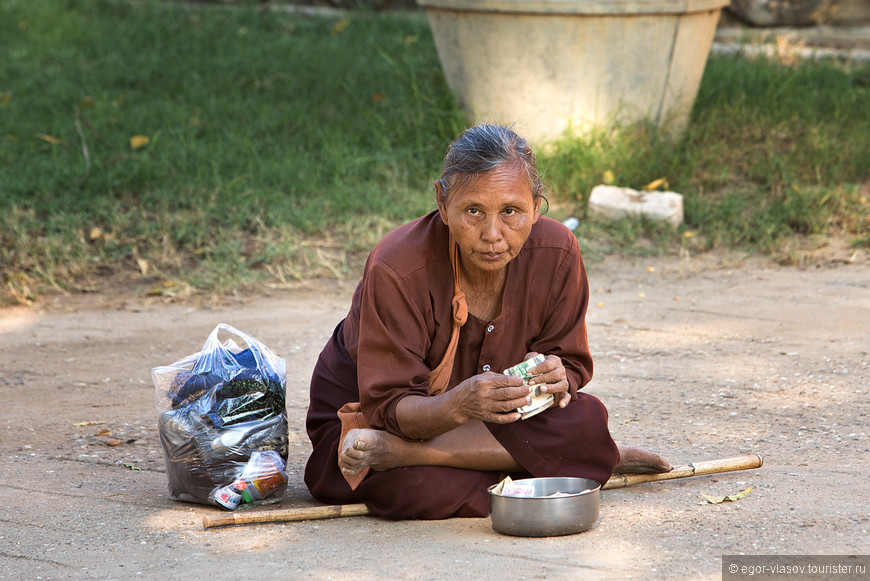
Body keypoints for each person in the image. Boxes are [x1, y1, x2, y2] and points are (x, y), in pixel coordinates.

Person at [304, 124, 670, 519]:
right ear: (443, 204)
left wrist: (560, 375)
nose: (492, 235)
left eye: (511, 211)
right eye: (473, 211)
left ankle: (411, 455)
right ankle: (560, 465)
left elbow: (571, 363)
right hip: (366, 427)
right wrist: (457, 405)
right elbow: (389, 409)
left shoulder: (557, 251)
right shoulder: (397, 266)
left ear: (535, 205)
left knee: (586, 420)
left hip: (478, 428)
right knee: (414, 485)